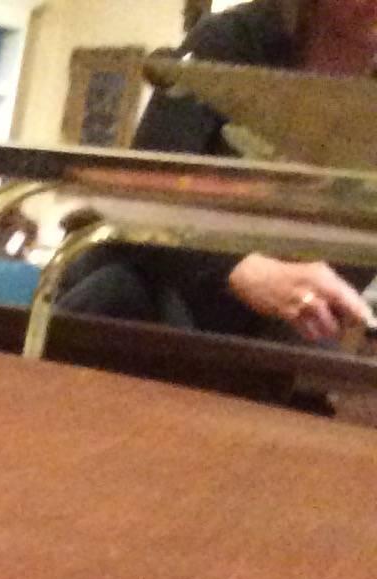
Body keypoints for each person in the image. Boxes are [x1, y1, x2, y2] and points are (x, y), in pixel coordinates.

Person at [58, 0, 377, 341]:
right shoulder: (232, 40)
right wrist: (245, 272)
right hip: (148, 300)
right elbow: (147, 192)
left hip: (279, 332)